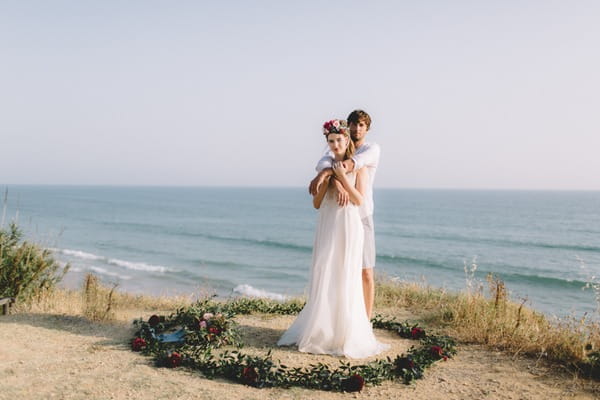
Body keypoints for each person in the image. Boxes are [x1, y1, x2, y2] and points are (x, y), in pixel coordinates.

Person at [277, 119, 388, 359]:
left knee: (347, 275)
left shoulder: (359, 167)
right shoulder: (324, 168)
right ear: (327, 143)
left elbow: (359, 199)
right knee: (325, 272)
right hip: (327, 226)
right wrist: (328, 181)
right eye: (331, 141)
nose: (336, 144)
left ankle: (347, 331)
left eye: (339, 140)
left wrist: (342, 181)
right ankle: (324, 330)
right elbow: (316, 205)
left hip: (349, 226)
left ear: (347, 140)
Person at [308, 110, 380, 320]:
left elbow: (349, 165)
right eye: (354, 124)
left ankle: (365, 320)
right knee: (335, 269)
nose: (357, 128)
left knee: (365, 271)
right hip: (335, 219)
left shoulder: (371, 150)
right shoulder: (332, 151)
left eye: (361, 125)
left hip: (362, 215)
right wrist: (330, 178)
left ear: (366, 128)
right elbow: (324, 163)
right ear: (348, 126)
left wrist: (329, 174)